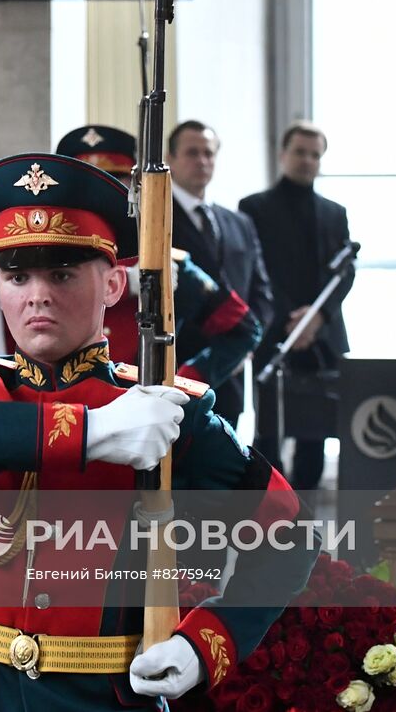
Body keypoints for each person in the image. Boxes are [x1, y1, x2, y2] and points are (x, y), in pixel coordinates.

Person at [0, 152, 316, 710]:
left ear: (111, 286)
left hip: (99, 695)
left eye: (61, 274)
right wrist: (91, 432)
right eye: (16, 276)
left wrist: (206, 643)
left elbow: (291, 533)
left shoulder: (165, 409)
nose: (36, 294)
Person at [56, 124, 261, 388]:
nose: (101, 195)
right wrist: (122, 285)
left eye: (117, 180)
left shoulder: (164, 263)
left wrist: (183, 385)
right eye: (89, 184)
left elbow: (243, 330)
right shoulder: (39, 256)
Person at [239, 120, 354, 491]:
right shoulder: (254, 207)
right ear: (282, 155)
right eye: (300, 152)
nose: (307, 160)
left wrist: (317, 317)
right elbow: (258, 272)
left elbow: (344, 274)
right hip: (276, 334)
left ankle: (307, 527)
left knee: (316, 435)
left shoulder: (335, 213)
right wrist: (293, 318)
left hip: (323, 337)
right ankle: (272, 520)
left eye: (315, 154)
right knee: (269, 433)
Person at [167, 120, 274, 430]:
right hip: (180, 366)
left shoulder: (238, 222)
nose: (202, 161)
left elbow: (262, 293)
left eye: (208, 153)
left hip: (233, 371)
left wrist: (246, 345)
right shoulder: (154, 220)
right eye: (191, 153)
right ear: (171, 159)